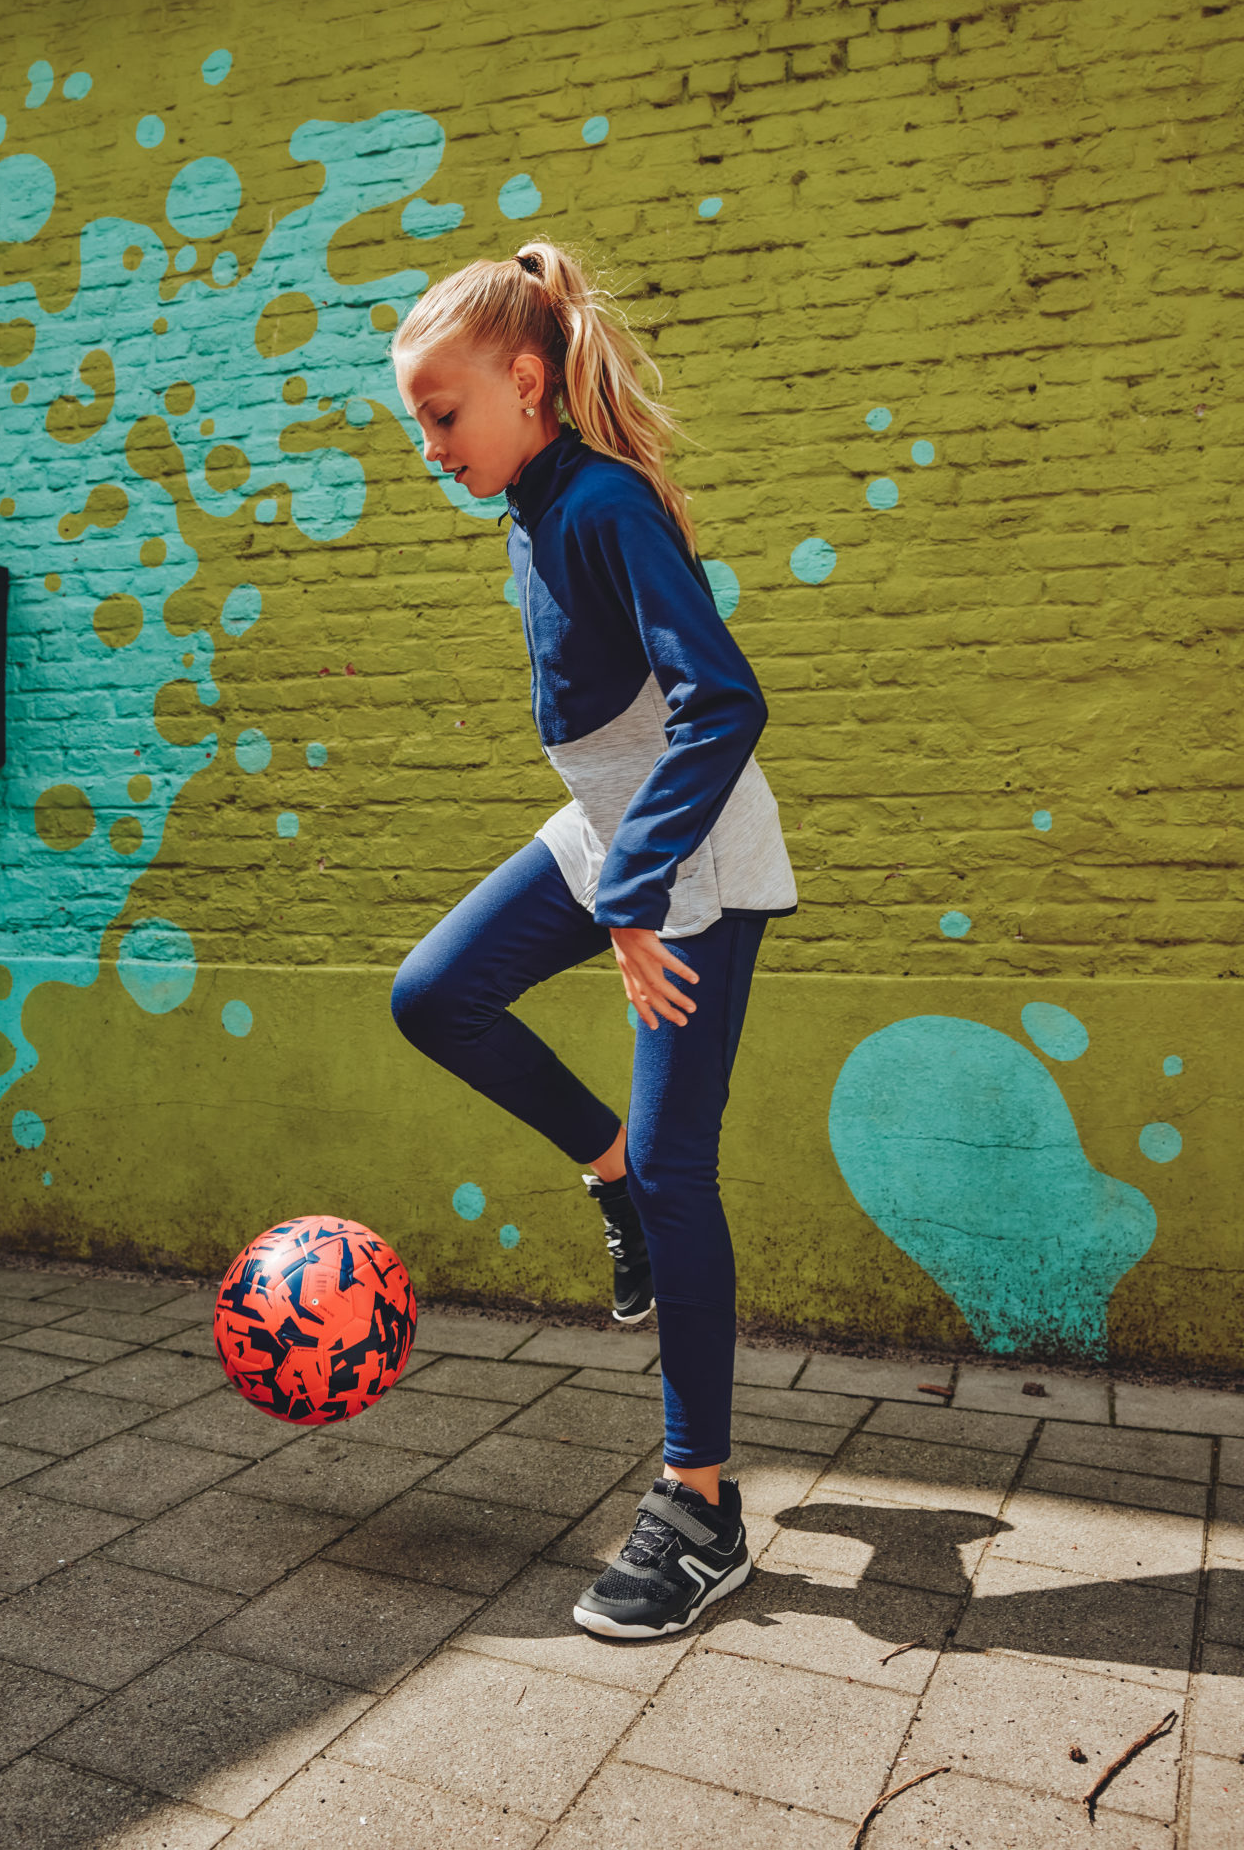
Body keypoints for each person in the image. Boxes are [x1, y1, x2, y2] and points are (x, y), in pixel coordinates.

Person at [388, 239, 799, 1640]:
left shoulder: (603, 503)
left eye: (444, 416)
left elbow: (723, 703)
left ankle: (701, 1506)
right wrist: (609, 861)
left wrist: (632, 891)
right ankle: (604, 1168)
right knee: (436, 994)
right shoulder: (534, 501)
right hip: (609, 828)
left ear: (526, 382)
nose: (431, 447)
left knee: (689, 1173)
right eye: (417, 424)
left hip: (687, 862)